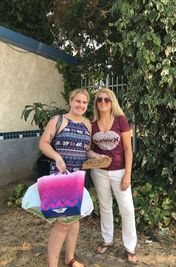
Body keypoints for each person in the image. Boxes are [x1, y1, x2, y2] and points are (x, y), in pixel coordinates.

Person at [39, 88, 91, 267]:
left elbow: (87, 149)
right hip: (60, 178)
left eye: (84, 102)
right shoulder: (58, 120)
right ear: (70, 102)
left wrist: (96, 157)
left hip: (78, 177)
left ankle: (70, 258)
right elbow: (43, 143)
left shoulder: (87, 124)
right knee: (62, 223)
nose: (81, 105)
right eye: (78, 101)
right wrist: (57, 157)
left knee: (74, 220)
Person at [89, 88, 137, 264]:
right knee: (105, 206)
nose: (102, 102)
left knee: (127, 210)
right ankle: (107, 240)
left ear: (112, 102)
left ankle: (130, 247)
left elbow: (127, 149)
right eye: (99, 99)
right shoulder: (92, 123)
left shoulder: (121, 120)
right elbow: (88, 150)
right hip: (99, 172)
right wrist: (94, 156)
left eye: (106, 100)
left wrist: (127, 175)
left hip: (120, 171)